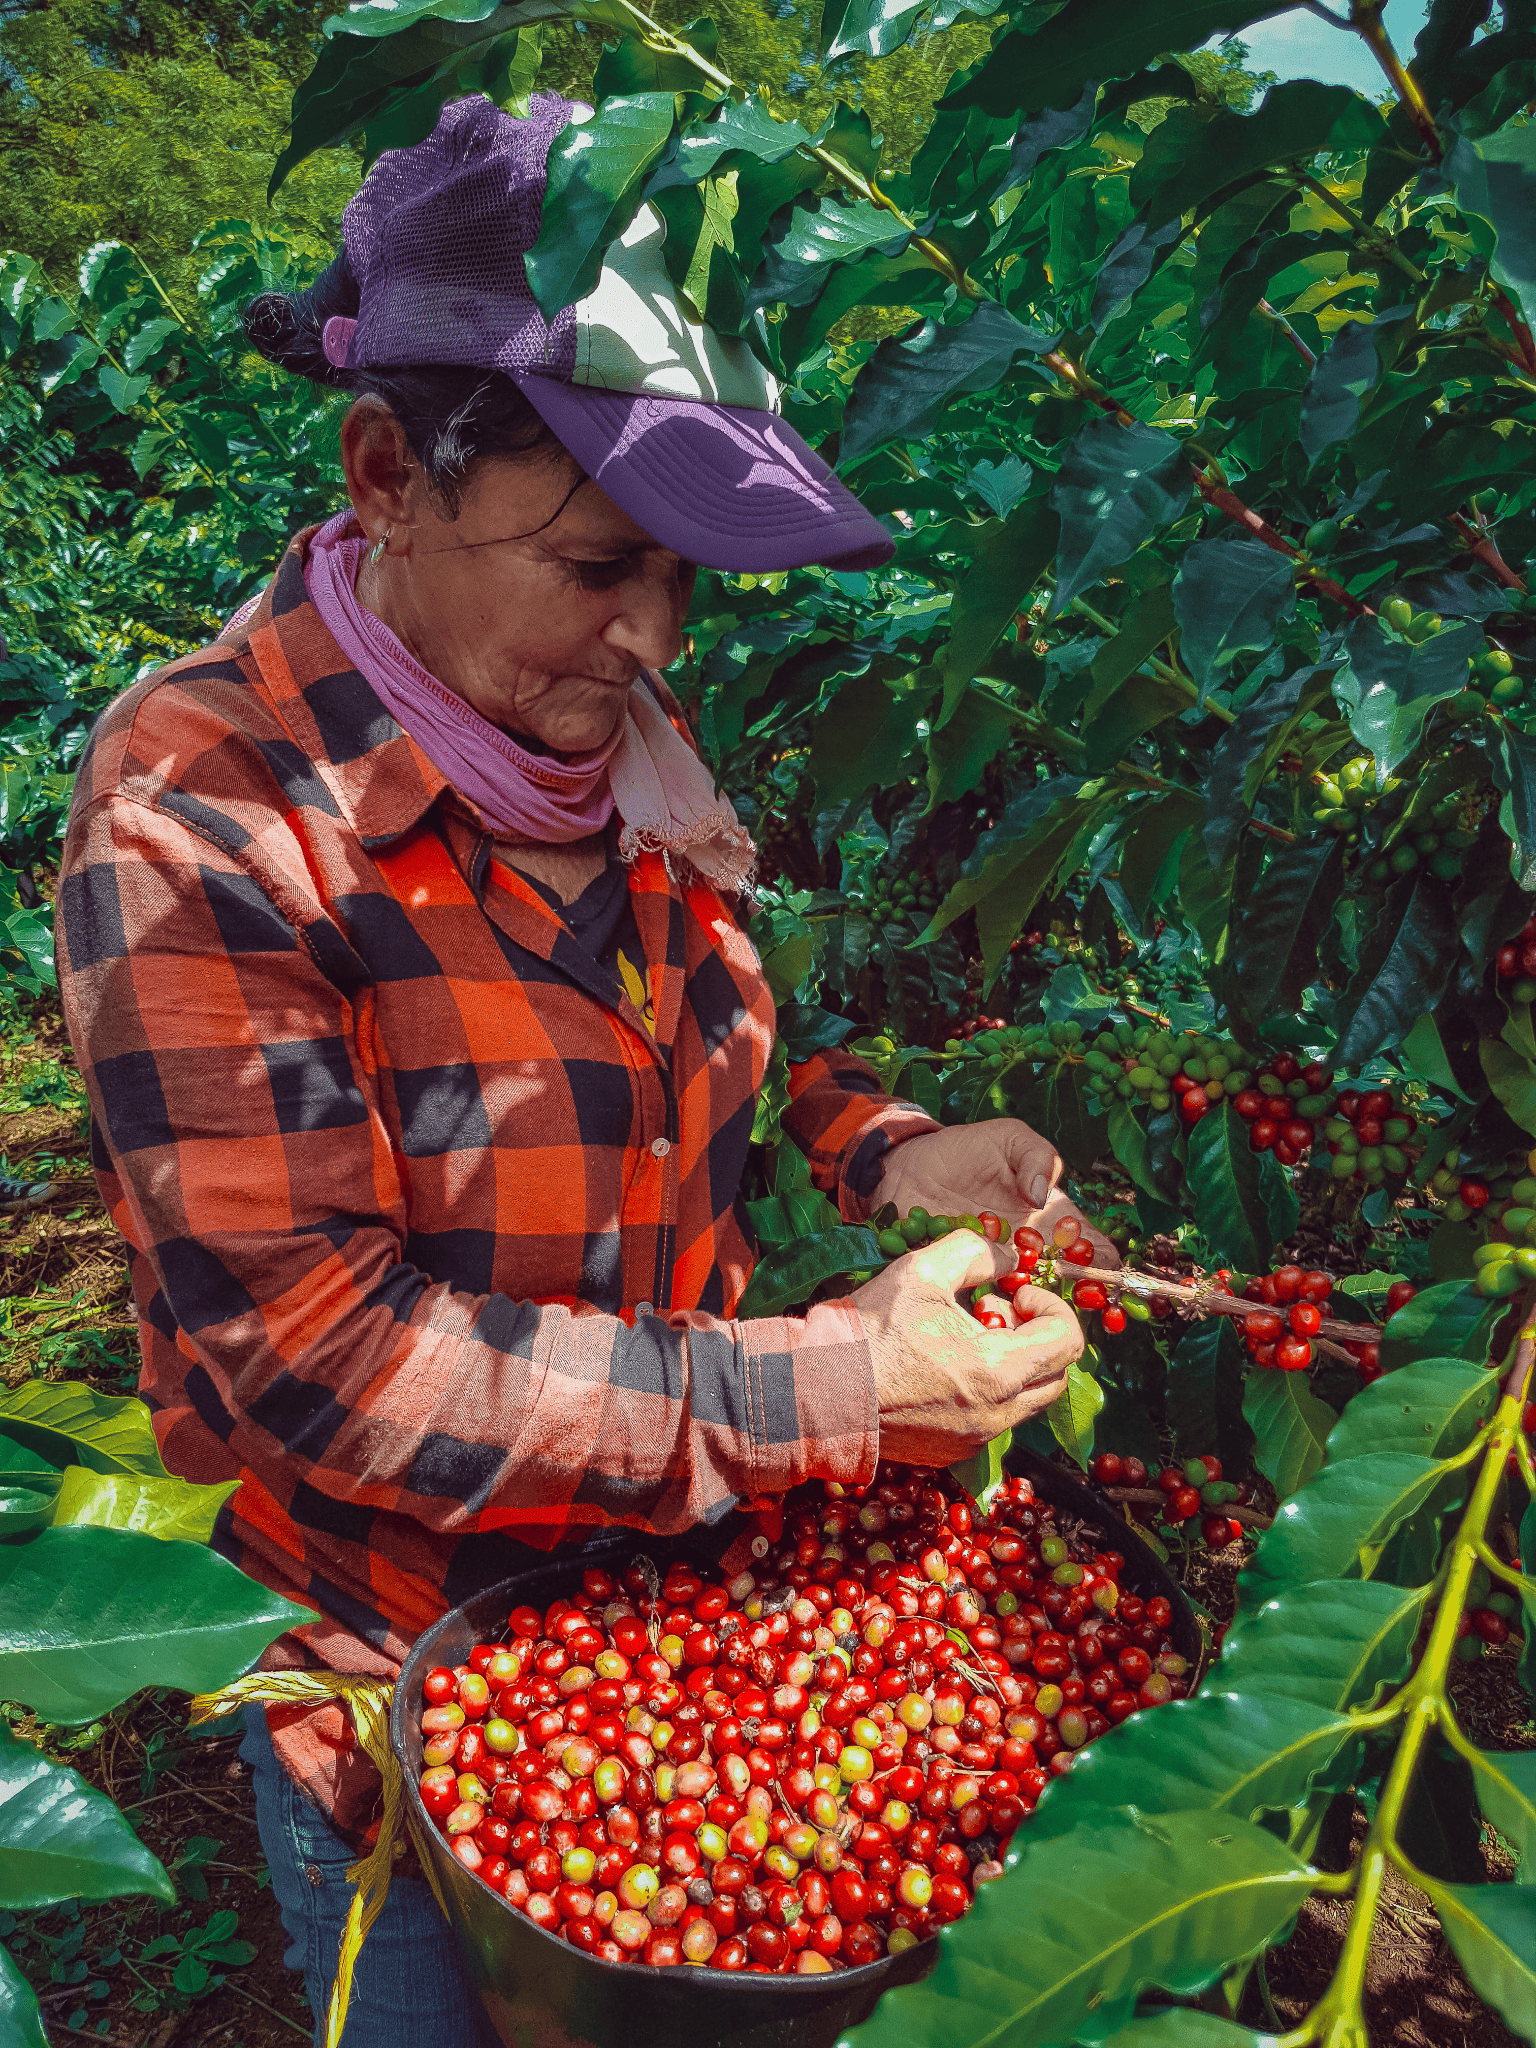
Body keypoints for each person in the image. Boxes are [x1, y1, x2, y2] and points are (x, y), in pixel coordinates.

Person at [56, 92, 1102, 2048]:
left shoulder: (606, 743)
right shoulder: (206, 816)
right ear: (387, 471)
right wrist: (850, 1382)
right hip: (412, 1683)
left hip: (678, 1599)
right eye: (597, 560)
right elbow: (326, 1356)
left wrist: (887, 1150)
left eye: (687, 569)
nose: (652, 632)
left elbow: (710, 1035)